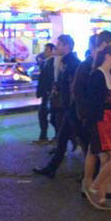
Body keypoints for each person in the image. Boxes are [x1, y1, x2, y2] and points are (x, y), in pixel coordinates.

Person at [82, 44, 111, 211]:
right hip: (101, 122)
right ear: (107, 56)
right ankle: (94, 187)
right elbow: (96, 103)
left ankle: (100, 198)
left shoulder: (108, 74)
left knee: (106, 159)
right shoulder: (97, 75)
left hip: (109, 120)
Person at [31, 34, 84, 179]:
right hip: (68, 107)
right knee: (61, 140)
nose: (57, 47)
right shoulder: (64, 62)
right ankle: (51, 168)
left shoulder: (73, 63)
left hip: (72, 108)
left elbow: (75, 87)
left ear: (67, 46)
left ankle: (94, 173)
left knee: (84, 140)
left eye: (59, 44)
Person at [35, 43, 56, 141]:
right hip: (45, 93)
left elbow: (49, 79)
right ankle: (44, 136)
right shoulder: (46, 62)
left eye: (47, 50)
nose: (44, 52)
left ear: (52, 51)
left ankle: (50, 136)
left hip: (49, 93)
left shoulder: (52, 63)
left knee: (51, 116)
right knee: (44, 114)